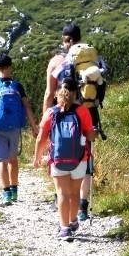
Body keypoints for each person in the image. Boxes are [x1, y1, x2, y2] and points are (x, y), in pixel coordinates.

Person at [43, 23, 103, 223]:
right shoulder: (93, 58)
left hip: (64, 116)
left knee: (61, 153)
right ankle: (82, 206)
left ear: (65, 39)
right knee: (85, 159)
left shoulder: (60, 61)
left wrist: (46, 118)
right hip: (88, 113)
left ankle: (62, 196)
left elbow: (50, 92)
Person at [34, 77, 96, 240]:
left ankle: (64, 228)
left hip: (58, 159)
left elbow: (41, 138)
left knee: (62, 194)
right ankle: (73, 220)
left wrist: (37, 157)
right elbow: (90, 135)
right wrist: (93, 132)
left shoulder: (50, 112)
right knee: (75, 192)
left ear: (56, 94)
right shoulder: (82, 111)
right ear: (76, 93)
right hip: (80, 158)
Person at [0, 53, 38, 206]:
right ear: (10, 67)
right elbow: (27, 106)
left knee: (2, 162)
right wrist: (34, 127)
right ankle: (14, 191)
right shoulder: (17, 86)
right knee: (13, 160)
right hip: (14, 128)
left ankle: (5, 194)